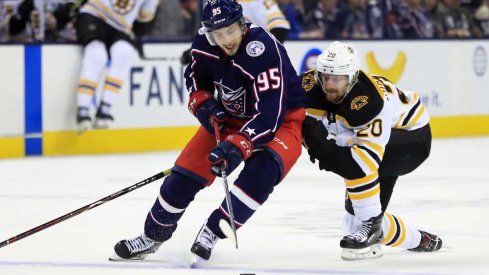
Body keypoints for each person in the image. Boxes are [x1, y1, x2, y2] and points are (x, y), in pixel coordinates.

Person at [110, 0, 306, 262]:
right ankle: (153, 235)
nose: (224, 39)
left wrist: (239, 145)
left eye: (230, 31)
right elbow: (193, 76)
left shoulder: (263, 49)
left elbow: (270, 114)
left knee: (262, 174)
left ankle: (212, 232)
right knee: (182, 178)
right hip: (230, 119)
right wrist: (203, 104)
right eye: (217, 33)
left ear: (242, 25)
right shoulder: (205, 43)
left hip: (282, 121)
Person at [301, 41, 442, 260]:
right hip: (382, 141)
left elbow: (363, 164)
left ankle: (373, 225)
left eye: (337, 79)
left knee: (353, 158)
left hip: (411, 139)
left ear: (352, 77)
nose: (329, 84)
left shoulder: (370, 102)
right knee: (352, 226)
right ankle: (418, 239)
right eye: (325, 77)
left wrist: (325, 150)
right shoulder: (310, 84)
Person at [75, 0, 158, 131]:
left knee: (124, 52)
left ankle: (105, 109)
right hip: (94, 13)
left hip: (121, 27)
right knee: (97, 55)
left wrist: (137, 38)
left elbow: (145, 16)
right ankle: (83, 109)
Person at [180, 0, 290, 65]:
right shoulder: (221, 3)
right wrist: (194, 52)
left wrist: (261, 51)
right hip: (232, 63)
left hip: (258, 63)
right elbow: (215, 32)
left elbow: (280, 28)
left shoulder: (261, 2)